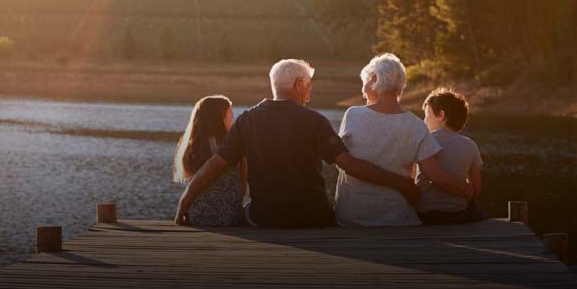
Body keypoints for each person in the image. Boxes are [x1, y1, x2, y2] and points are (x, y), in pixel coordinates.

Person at [175, 59, 419, 228]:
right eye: (308, 87)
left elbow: (213, 166)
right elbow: (349, 165)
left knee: (248, 210)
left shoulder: (247, 120)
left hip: (265, 218)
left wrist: (184, 204)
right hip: (313, 218)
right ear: (299, 85)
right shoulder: (315, 121)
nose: (310, 95)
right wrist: (401, 183)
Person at [334, 53, 473, 227]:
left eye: (365, 83)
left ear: (375, 79)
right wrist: (466, 188)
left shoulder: (353, 114)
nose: (362, 91)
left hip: (352, 218)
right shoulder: (417, 126)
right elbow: (435, 175)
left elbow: (342, 162)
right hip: (397, 219)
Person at [173, 95, 247, 226]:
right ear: (218, 120)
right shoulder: (235, 148)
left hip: (198, 216)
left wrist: (181, 211)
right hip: (230, 218)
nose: (233, 122)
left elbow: (197, 184)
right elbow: (242, 187)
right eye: (231, 117)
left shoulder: (194, 148)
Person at [416, 87, 486, 224]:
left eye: (427, 115)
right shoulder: (470, 145)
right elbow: (476, 189)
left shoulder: (422, 141)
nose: (424, 120)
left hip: (424, 214)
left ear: (441, 115)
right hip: (457, 213)